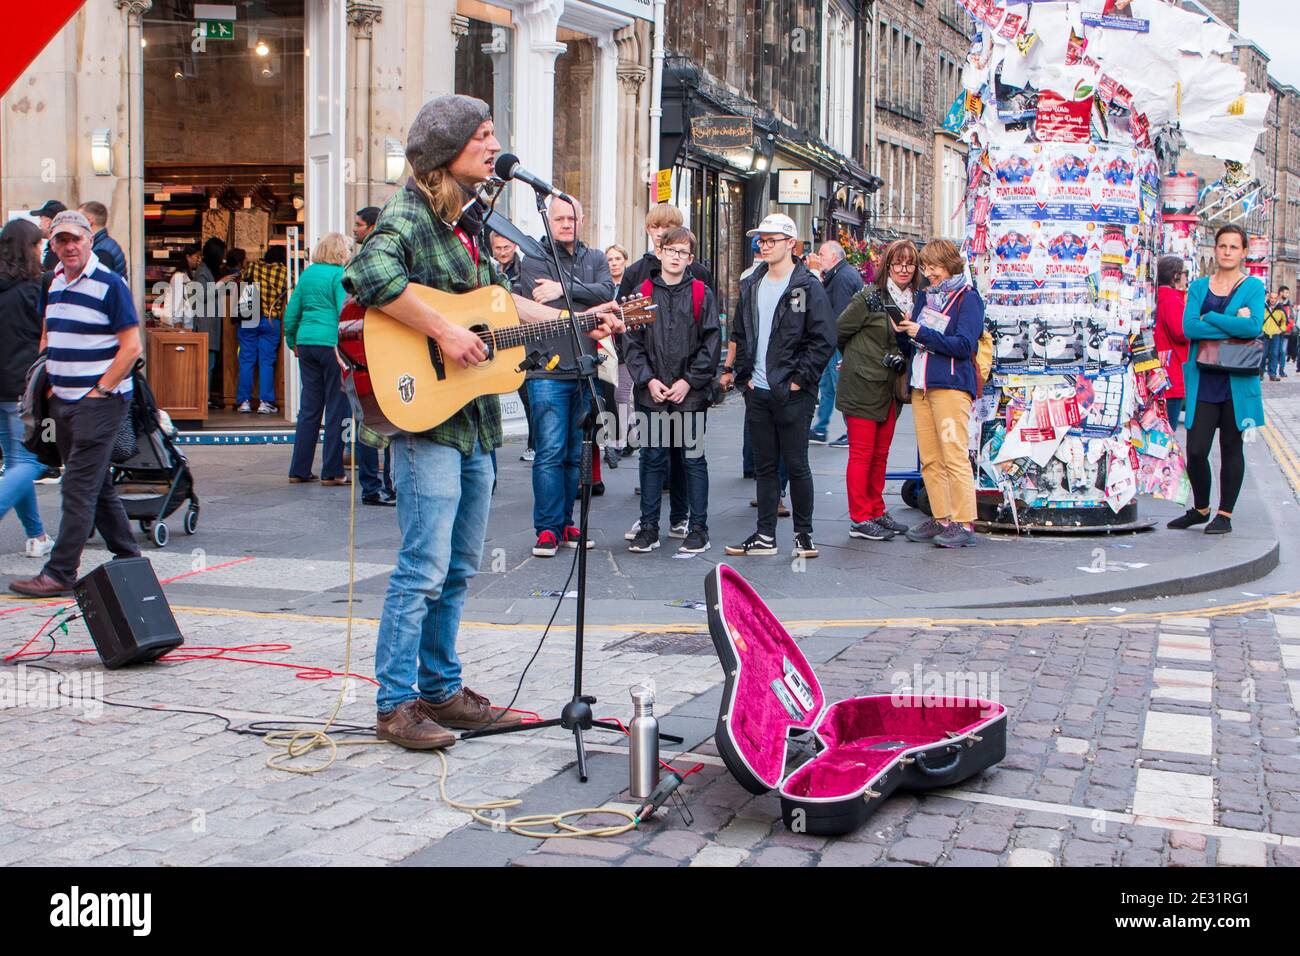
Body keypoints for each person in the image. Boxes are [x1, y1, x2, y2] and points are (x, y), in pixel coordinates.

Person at [342, 93, 618, 749]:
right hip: (427, 424)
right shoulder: (410, 210)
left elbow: (501, 304)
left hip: (472, 421)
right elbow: (367, 270)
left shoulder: (466, 220)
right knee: (422, 567)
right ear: (447, 148)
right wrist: (441, 329)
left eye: (495, 134)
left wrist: (580, 320)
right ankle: (394, 705)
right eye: (483, 135)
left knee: (459, 566)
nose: (495, 146)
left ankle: (441, 690)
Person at [10, 211, 142, 597]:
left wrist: (99, 391)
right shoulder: (52, 283)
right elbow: (48, 334)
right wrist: (48, 381)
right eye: (60, 241)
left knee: (77, 486)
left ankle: (60, 571)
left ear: (89, 239)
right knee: (95, 484)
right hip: (63, 400)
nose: (68, 247)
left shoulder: (108, 284)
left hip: (100, 403)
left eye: (75, 240)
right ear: (52, 246)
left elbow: (131, 347)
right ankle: (129, 555)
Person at [725, 213, 834, 559]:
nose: (764, 246)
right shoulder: (752, 283)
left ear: (791, 244)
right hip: (758, 391)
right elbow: (741, 333)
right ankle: (765, 535)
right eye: (761, 240)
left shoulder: (806, 286)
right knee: (765, 467)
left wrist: (800, 380)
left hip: (791, 393)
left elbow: (823, 338)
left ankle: (804, 536)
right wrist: (743, 376)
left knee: (797, 464)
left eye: (771, 240)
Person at [516, 195, 615, 558]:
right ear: (549, 221)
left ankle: (566, 523)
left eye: (571, 217)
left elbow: (608, 292)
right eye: (558, 218)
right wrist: (582, 299)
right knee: (550, 452)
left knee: (576, 453)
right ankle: (546, 528)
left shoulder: (597, 258)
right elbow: (543, 309)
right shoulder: (534, 260)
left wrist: (563, 289)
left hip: (585, 369)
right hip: (547, 371)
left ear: (582, 218)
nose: (565, 224)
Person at [619, 205, 714, 541]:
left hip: (690, 395)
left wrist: (690, 381)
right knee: (653, 458)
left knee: (692, 459)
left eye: (682, 252)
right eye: (670, 250)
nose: (675, 256)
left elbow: (710, 342)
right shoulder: (641, 293)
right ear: (659, 253)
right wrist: (648, 380)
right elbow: (631, 342)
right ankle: (648, 527)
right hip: (653, 393)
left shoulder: (702, 293)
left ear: (690, 258)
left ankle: (696, 527)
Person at [1169, 224, 1265, 536]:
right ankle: (1201, 508)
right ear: (1216, 249)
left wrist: (1210, 318)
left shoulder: (1253, 287)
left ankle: (1224, 514)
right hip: (1204, 379)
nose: (1227, 252)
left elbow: (1252, 328)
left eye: (1234, 247)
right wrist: (1228, 323)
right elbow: (1190, 329)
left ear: (1244, 252)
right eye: (1223, 246)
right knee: (1196, 450)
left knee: (1231, 447)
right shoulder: (1198, 287)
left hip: (1236, 380)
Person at [897, 239, 984, 549]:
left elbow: (964, 345)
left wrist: (923, 334)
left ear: (949, 265)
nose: (928, 273)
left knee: (953, 454)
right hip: (922, 384)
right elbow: (915, 340)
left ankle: (964, 521)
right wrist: (905, 332)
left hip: (949, 386)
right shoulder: (925, 296)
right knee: (931, 458)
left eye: (933, 267)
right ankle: (942, 516)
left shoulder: (968, 298)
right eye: (926, 267)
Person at [837, 240, 917, 541]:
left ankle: (875, 508)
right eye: (898, 263)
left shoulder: (916, 300)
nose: (903, 269)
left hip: (889, 388)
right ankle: (859, 518)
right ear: (887, 265)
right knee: (862, 453)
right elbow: (839, 330)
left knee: (881, 453)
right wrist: (857, 358)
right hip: (862, 384)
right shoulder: (870, 297)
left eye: (909, 263)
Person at [0, 219, 53, 559]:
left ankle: (37, 535)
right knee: (35, 462)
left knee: (16, 462)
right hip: (23, 388)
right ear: (30, 249)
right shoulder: (38, 287)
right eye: (40, 246)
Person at [285, 232, 353, 489]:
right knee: (337, 408)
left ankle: (299, 469)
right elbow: (343, 311)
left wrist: (293, 341)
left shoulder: (307, 275)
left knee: (309, 409)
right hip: (331, 346)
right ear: (340, 252)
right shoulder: (338, 276)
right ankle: (332, 471)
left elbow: (292, 311)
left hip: (306, 343)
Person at [809, 240, 865, 447]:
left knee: (842, 387)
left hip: (838, 344)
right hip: (833, 342)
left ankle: (852, 433)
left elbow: (840, 316)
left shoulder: (842, 278)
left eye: (822, 254)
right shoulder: (839, 274)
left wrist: (832, 341)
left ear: (834, 257)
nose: (819, 257)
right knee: (827, 386)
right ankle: (820, 428)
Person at [489, 232, 533, 462]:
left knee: (526, 393)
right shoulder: (490, 269)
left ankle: (533, 442)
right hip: (494, 336)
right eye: (498, 248)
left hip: (519, 337)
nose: (503, 252)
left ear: (514, 245)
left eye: (506, 247)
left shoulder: (524, 270)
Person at [237, 246, 289, 415]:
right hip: (269, 320)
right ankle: (265, 402)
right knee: (266, 361)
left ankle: (244, 401)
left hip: (249, 316)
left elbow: (242, 282)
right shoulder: (284, 272)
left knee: (246, 359)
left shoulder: (253, 266)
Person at [605, 243, 633, 468]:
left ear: (624, 261)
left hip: (625, 349)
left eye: (617, 259)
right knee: (610, 395)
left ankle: (619, 442)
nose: (613, 263)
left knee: (621, 394)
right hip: (605, 349)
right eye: (610, 260)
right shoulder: (602, 287)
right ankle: (631, 429)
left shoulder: (630, 287)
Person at [1154, 255, 1189, 428]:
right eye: (1185, 273)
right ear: (1175, 275)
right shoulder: (1172, 300)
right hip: (1172, 372)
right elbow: (1181, 332)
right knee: (1169, 430)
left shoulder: (1157, 297)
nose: (1186, 277)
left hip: (1159, 371)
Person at [77, 201, 127, 279]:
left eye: (78, 219)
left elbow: (99, 283)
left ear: (89, 221)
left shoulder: (102, 252)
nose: (75, 223)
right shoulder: (104, 245)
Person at [31, 199, 67, 271]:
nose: (39, 225)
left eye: (41, 220)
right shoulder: (65, 248)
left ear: (48, 222)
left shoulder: (55, 252)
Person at [1263, 289, 1288, 381]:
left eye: (1275, 298)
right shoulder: (1263, 307)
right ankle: (1261, 373)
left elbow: (1285, 321)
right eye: (1271, 298)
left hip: (1276, 334)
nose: (1273, 300)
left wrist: (1281, 329)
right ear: (1269, 298)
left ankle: (1272, 374)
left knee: (1274, 354)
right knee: (1263, 354)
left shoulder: (1280, 309)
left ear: (1277, 299)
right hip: (1264, 333)